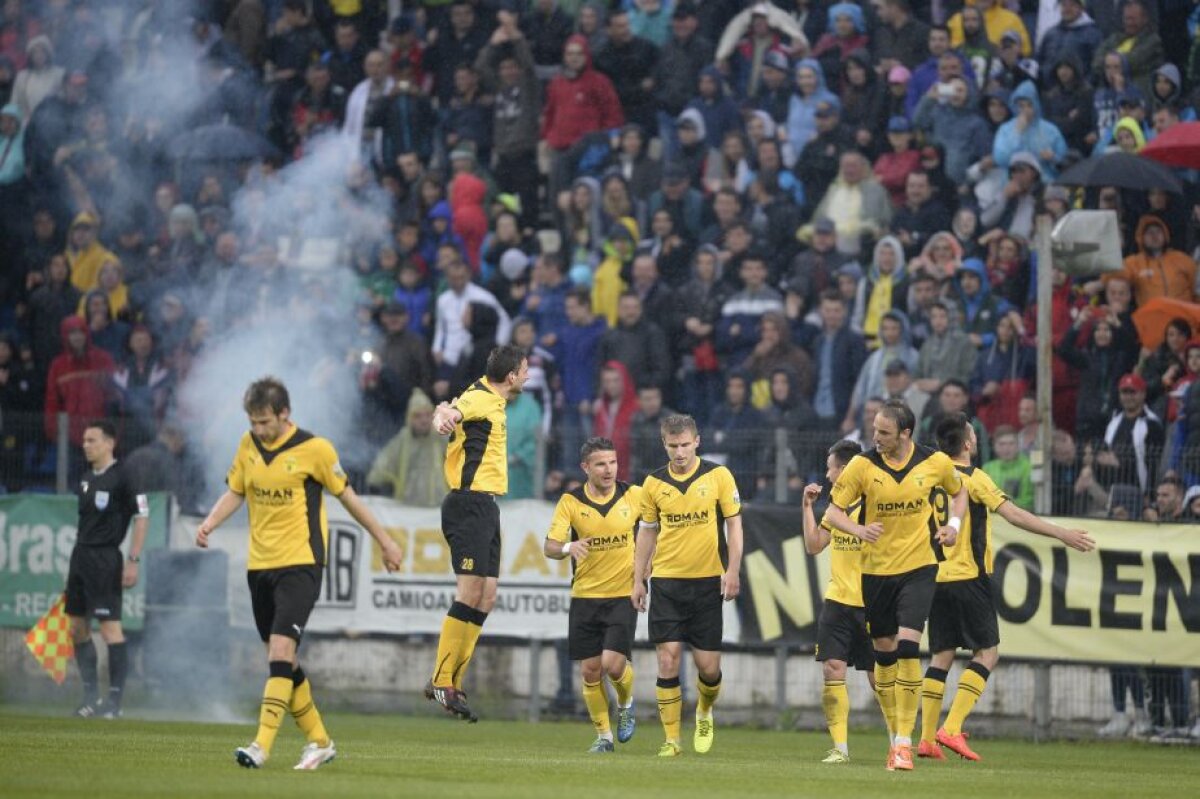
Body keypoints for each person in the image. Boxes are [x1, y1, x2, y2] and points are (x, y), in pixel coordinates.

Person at [195, 378, 403, 770]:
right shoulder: (248, 445)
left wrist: (385, 541)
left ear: (284, 414)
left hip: (301, 563)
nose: (258, 429)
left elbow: (349, 499)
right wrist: (210, 524)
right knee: (282, 663)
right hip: (259, 566)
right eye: (253, 422)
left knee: (280, 651)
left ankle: (260, 745)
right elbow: (236, 491)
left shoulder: (315, 450)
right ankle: (320, 741)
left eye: (264, 422)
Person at [920, 413, 1094, 761]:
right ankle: (951, 728)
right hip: (969, 576)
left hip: (935, 578)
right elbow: (1014, 515)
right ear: (968, 443)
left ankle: (925, 739)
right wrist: (1061, 533)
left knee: (941, 656)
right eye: (973, 433)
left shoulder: (929, 479)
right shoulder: (974, 478)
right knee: (987, 653)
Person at [825, 399, 967, 771]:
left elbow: (959, 492)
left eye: (884, 433)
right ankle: (895, 735)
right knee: (884, 660)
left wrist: (953, 527)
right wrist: (858, 529)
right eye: (874, 430)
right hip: (875, 574)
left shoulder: (934, 462)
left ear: (906, 433)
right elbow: (832, 512)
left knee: (907, 648)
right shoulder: (862, 466)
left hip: (919, 567)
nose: (876, 437)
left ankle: (904, 743)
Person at [424, 345, 530, 722]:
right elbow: (454, 412)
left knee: (486, 597)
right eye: (525, 370)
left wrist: (443, 411)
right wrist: (443, 417)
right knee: (469, 593)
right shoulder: (481, 399)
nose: (528, 376)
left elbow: (450, 406)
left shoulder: (483, 395)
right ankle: (441, 680)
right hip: (467, 504)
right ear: (513, 376)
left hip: (485, 506)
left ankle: (452, 679)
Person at [632, 414, 743, 757]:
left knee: (708, 669)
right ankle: (671, 739)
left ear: (697, 441)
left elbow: (735, 527)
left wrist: (733, 570)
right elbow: (647, 531)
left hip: (708, 583)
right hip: (667, 582)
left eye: (685, 445)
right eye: (672, 445)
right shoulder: (653, 483)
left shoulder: (718, 476)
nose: (679, 452)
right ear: (663, 444)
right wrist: (638, 579)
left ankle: (705, 710)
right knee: (668, 659)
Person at [544, 437, 642, 753]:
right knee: (590, 671)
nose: (609, 469)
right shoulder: (570, 503)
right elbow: (549, 547)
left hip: (622, 594)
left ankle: (626, 704)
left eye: (612, 462)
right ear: (586, 467)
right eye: (601, 464)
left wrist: (645, 571)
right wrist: (568, 547)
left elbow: (656, 529)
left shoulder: (635, 496)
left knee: (613, 664)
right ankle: (604, 737)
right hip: (585, 595)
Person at [802, 439, 893, 764]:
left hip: (873, 602)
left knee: (879, 677)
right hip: (838, 602)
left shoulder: (878, 502)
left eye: (831, 468)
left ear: (846, 469)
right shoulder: (835, 508)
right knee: (832, 668)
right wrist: (807, 508)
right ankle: (840, 748)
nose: (827, 475)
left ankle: (898, 742)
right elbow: (814, 545)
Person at [67, 421, 149, 719]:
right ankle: (90, 696)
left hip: (106, 559)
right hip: (80, 557)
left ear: (109, 443)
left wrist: (133, 559)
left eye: (92, 440)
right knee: (76, 627)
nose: (86, 445)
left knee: (110, 627)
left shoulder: (126, 476)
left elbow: (142, 517)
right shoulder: (86, 478)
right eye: (85, 440)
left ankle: (114, 702)